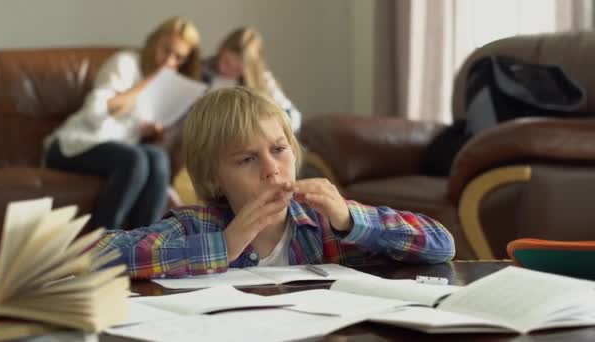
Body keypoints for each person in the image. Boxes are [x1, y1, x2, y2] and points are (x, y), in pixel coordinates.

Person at [94, 86, 455, 279]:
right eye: (247, 159)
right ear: (213, 178)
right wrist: (224, 245)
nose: (272, 169)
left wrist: (349, 220)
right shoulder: (193, 226)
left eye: (279, 150)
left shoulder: (328, 224)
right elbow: (94, 256)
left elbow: (441, 245)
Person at [43, 17, 201, 229]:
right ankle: (105, 245)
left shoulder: (168, 86)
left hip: (119, 149)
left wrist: (148, 131)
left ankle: (143, 246)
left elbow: (128, 129)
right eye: (166, 50)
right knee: (134, 160)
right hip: (72, 145)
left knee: (158, 158)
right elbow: (95, 114)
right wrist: (152, 81)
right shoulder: (125, 62)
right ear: (154, 42)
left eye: (179, 58)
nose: (170, 61)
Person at [203, 27, 302, 132]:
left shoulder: (262, 80)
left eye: (237, 69)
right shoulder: (200, 71)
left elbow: (293, 117)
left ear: (250, 68)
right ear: (221, 47)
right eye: (226, 62)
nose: (229, 70)